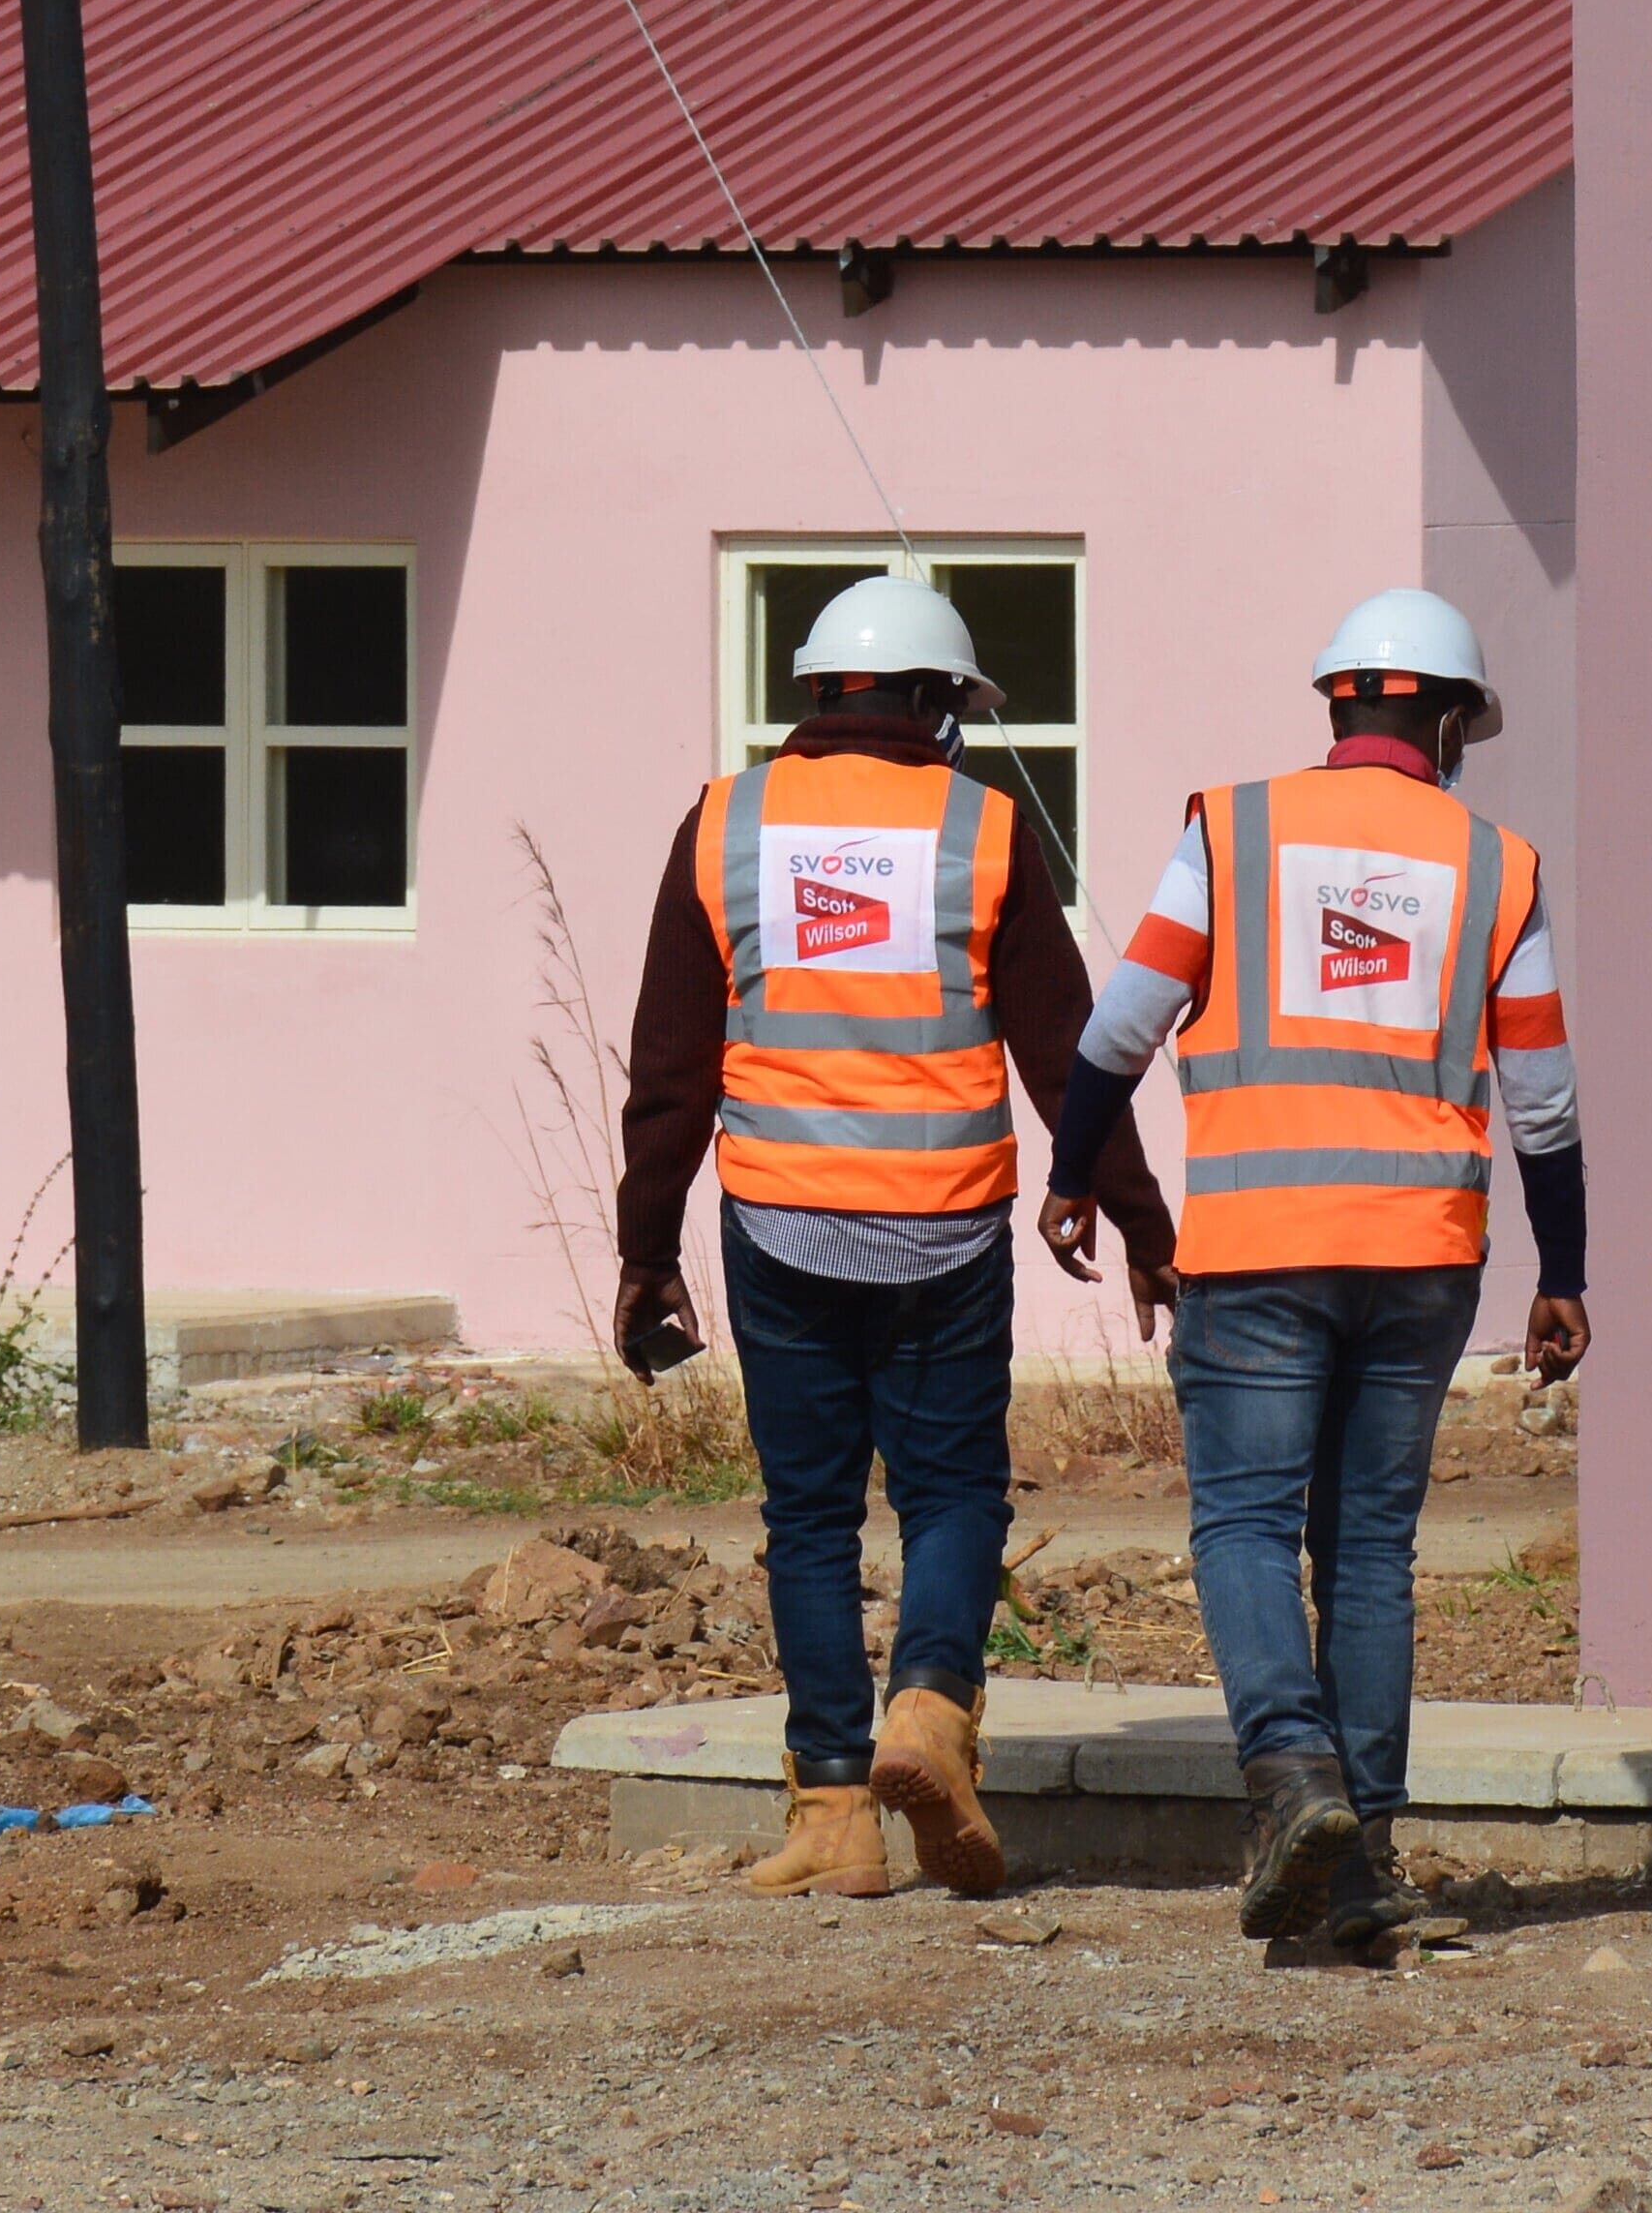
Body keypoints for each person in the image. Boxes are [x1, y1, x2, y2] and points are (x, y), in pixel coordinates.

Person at [1040, 587, 1586, 1954]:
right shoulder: (1499, 863)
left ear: (1337, 703)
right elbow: (1548, 1102)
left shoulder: (1230, 829)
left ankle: (1291, 1778)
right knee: (1369, 1553)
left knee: (1242, 1526)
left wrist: (1073, 1176)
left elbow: (1122, 1026)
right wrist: (1563, 1268)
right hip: (1421, 1257)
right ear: (1450, 719)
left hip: (1259, 1246)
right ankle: (1365, 1858)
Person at [616, 571, 1176, 1898]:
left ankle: (830, 1814)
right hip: (943, 1226)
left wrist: (646, 1249)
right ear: (939, 705)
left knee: (808, 1517)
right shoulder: (983, 829)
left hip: (781, 1221)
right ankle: (928, 1710)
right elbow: (1067, 1043)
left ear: (815, 694)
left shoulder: (725, 824)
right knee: (953, 1496)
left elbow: (670, 1067)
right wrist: (1134, 1210)